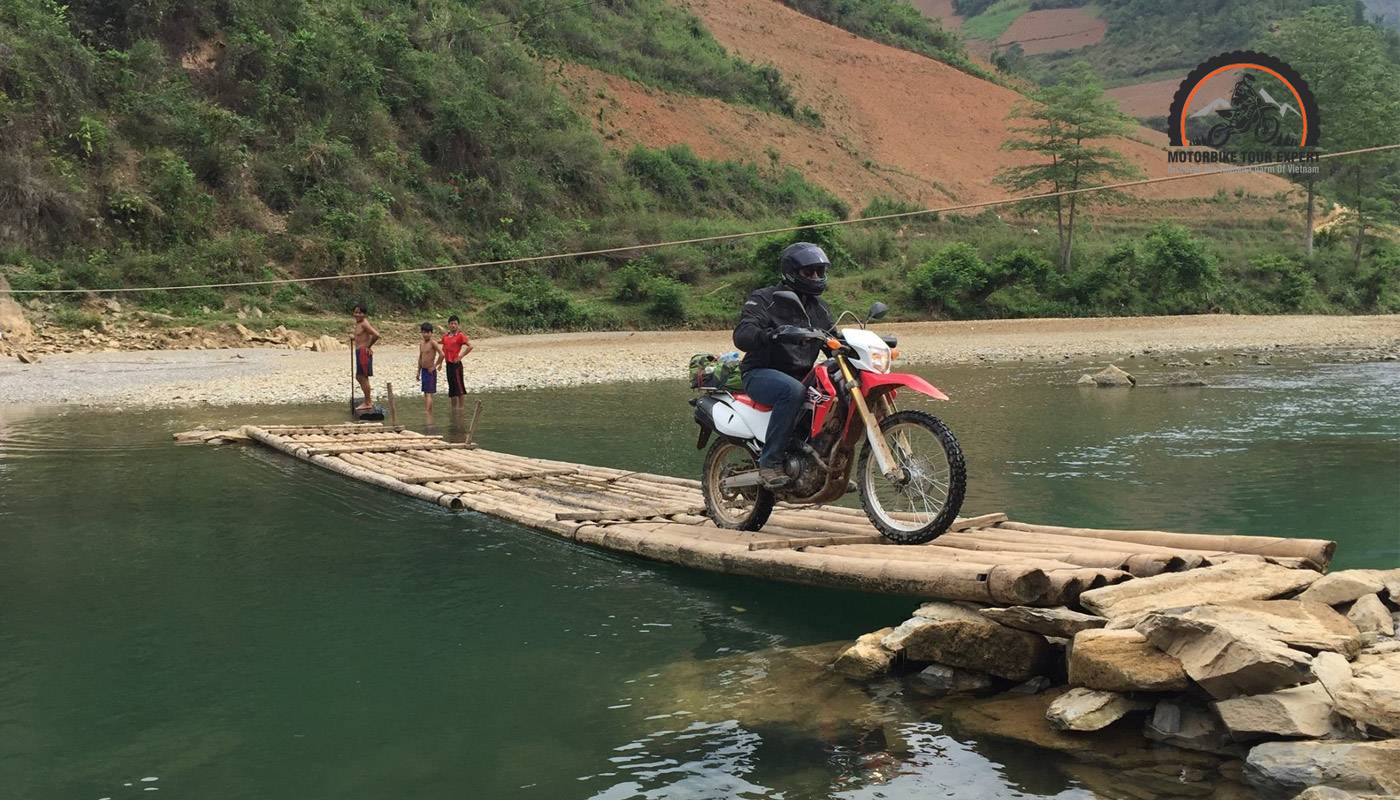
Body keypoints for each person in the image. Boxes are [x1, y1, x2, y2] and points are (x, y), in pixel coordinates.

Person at [732, 242, 835, 488]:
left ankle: (827, 464)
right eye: (809, 272)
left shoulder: (819, 308)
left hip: (802, 375)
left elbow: (833, 339)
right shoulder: (765, 299)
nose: (816, 277)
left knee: (839, 386)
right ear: (791, 272)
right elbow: (743, 334)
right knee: (792, 391)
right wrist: (773, 334)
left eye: (820, 272)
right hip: (761, 373)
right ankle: (770, 463)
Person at [351, 303, 380, 411]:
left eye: (360, 312)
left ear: (364, 314)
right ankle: (367, 400)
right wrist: (353, 338)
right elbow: (361, 337)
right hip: (360, 352)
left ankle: (368, 402)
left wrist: (368, 346)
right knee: (360, 376)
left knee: (362, 376)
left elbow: (376, 335)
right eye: (356, 312)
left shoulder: (364, 323)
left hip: (363, 352)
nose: (357, 314)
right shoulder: (359, 324)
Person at [440, 314, 473, 410]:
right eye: (451, 323)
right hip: (448, 364)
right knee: (452, 388)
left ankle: (461, 408)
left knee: (459, 387)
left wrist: (460, 356)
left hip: (456, 365)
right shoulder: (445, 337)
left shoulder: (460, 336)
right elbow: (443, 349)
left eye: (455, 323)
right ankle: (454, 409)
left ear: (458, 325)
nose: (453, 325)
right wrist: (440, 363)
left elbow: (470, 346)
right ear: (448, 325)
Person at [418, 322, 444, 414]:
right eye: (423, 332)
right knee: (425, 392)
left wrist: (435, 365)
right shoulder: (421, 344)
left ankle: (427, 413)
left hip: (430, 371)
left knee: (429, 393)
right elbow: (420, 358)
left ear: (431, 333)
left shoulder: (433, 343)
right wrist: (418, 371)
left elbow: (442, 354)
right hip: (424, 370)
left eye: (427, 332)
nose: (425, 334)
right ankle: (428, 411)